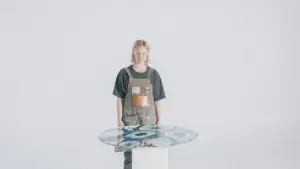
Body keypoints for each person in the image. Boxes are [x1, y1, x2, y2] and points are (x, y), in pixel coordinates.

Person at [112, 39, 166, 169]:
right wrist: (119, 121)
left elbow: (157, 99)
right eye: (137, 53)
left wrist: (160, 120)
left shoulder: (153, 74)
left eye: (143, 53)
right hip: (130, 121)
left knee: (149, 155)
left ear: (147, 54)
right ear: (133, 54)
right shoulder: (124, 74)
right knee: (130, 156)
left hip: (149, 122)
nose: (140, 56)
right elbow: (119, 98)